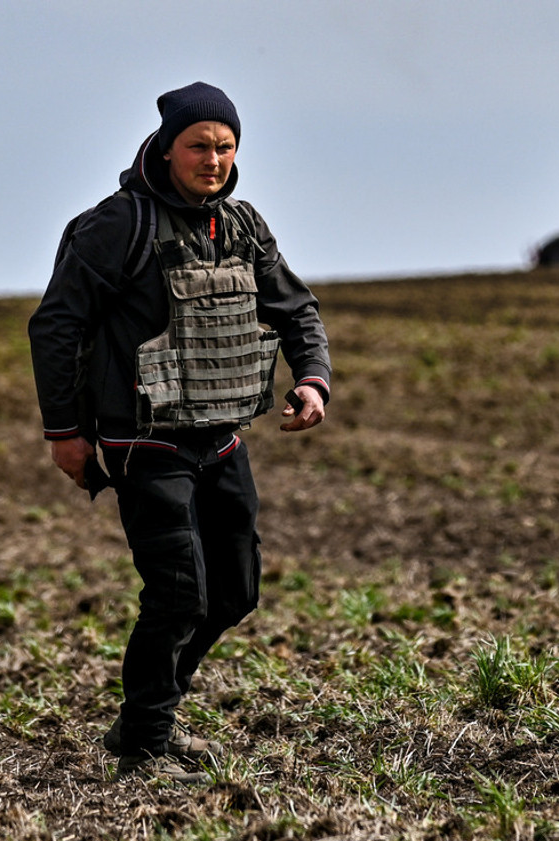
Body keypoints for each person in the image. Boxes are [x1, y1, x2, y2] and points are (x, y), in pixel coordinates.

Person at [26, 81, 332, 782]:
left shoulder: (244, 226)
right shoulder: (117, 225)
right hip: (144, 440)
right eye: (200, 145)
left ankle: (150, 708)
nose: (214, 159)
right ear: (168, 150)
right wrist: (64, 431)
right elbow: (56, 325)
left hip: (221, 439)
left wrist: (313, 378)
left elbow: (297, 309)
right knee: (179, 593)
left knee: (236, 591)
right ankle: (145, 737)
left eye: (226, 147)